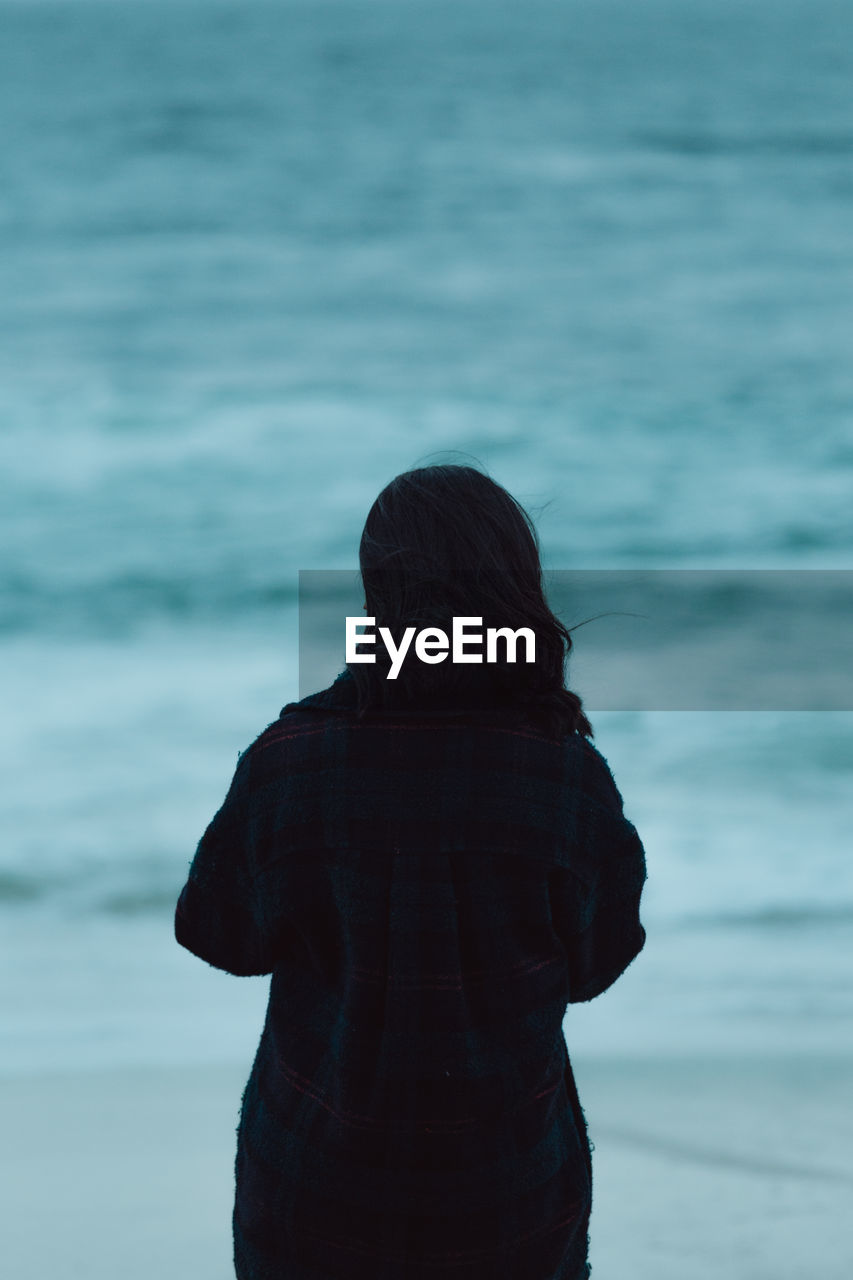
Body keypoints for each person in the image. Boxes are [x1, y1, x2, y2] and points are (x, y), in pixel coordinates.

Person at [174, 463, 648, 1280]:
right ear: (514, 591)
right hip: (506, 1196)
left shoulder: (292, 761)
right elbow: (596, 963)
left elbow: (219, 935)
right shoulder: (562, 775)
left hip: (313, 1188)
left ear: (376, 594)